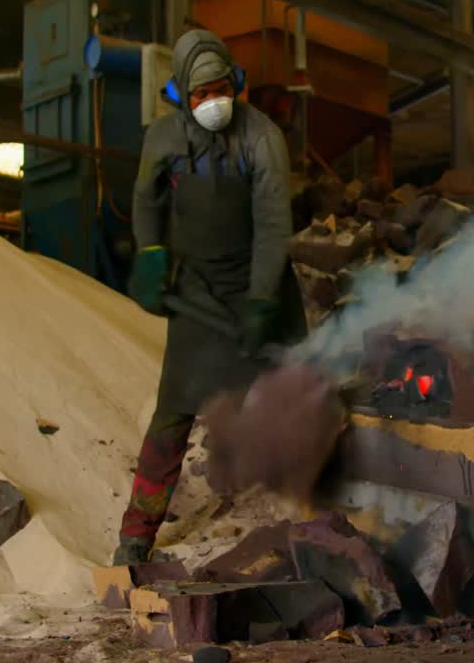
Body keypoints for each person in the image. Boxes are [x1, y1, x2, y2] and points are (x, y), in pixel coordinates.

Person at [114, 29, 307, 565]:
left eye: (221, 89)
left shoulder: (262, 138)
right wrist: (151, 254)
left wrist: (263, 301)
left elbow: (273, 226)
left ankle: (323, 519)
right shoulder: (164, 139)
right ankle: (135, 536)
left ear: (235, 86)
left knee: (297, 397)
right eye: (201, 95)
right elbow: (146, 200)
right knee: (173, 414)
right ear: (181, 95)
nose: (213, 102)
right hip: (197, 291)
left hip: (259, 284)